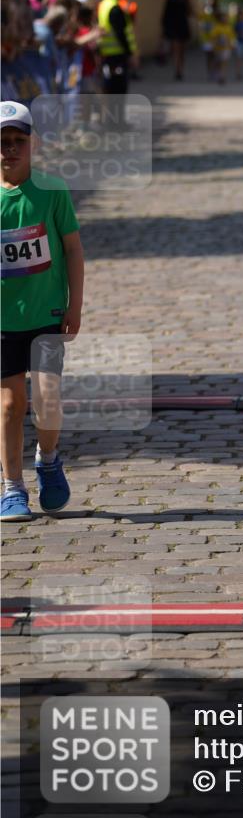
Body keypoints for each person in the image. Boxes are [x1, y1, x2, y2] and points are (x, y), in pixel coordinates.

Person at [1, 101, 84, 521]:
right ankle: (12, 487)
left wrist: (75, 304)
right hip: (3, 322)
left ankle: (47, 459)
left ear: (33, 144)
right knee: (10, 405)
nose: (9, 150)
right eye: (2, 143)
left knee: (47, 401)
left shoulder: (52, 190)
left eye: (18, 141)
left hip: (48, 314)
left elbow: (72, 248)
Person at [98, 0, 139, 126]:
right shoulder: (115, 8)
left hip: (108, 55)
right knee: (119, 90)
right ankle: (117, 122)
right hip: (117, 55)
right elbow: (121, 33)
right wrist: (131, 54)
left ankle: (111, 121)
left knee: (111, 89)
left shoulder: (104, 3)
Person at [161, 0, 192, 81]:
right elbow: (190, 12)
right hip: (178, 28)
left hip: (177, 27)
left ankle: (179, 70)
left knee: (179, 51)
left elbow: (165, 14)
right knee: (179, 51)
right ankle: (179, 70)